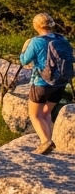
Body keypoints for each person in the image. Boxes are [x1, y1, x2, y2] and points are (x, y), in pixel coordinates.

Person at [20, 13, 73, 154]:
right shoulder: (62, 39)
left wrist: (24, 49)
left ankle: (45, 142)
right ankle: (49, 143)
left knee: (35, 115)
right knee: (46, 112)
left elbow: (24, 60)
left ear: (36, 26)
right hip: (60, 83)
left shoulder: (36, 41)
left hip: (41, 82)